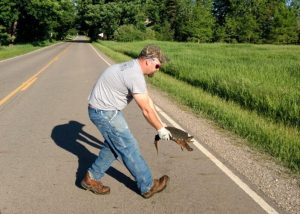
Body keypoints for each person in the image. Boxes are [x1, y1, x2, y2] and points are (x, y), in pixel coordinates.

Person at [81, 45, 172, 199]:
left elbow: (147, 101)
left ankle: (90, 178)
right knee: (129, 147)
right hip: (104, 113)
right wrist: (160, 130)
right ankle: (148, 186)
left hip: (103, 110)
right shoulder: (134, 75)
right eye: (157, 65)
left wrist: (161, 123)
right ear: (148, 61)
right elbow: (146, 109)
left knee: (114, 146)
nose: (158, 69)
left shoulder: (132, 68)